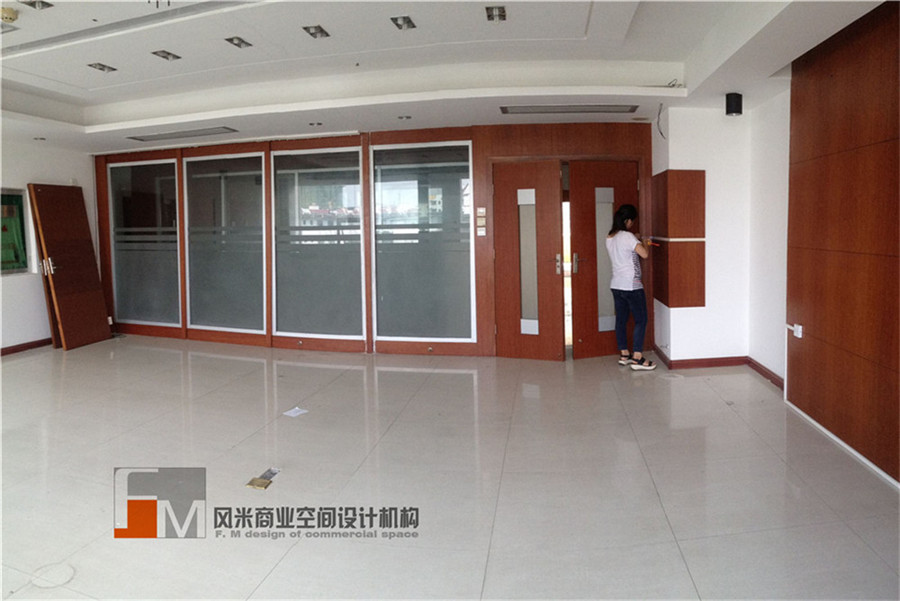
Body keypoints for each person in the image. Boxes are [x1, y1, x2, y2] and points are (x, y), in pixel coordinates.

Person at [605, 204, 656, 370]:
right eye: (632, 221)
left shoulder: (610, 236)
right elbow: (644, 254)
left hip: (616, 285)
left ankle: (624, 354)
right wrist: (645, 242)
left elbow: (624, 249)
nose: (632, 224)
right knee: (641, 320)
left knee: (621, 320)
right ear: (627, 220)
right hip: (631, 285)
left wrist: (635, 238)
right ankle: (637, 358)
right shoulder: (628, 237)